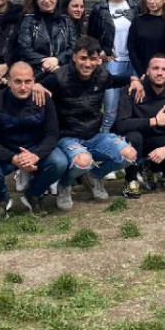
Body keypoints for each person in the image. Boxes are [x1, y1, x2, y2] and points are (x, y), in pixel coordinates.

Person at [37, 36, 141, 210]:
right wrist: (36, 86)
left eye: (93, 59)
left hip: (94, 135)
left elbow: (116, 80)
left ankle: (94, 176)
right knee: (82, 161)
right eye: (83, 58)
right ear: (74, 57)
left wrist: (134, 79)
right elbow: (36, 86)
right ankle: (65, 185)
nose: (88, 64)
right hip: (67, 137)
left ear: (98, 60)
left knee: (130, 155)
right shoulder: (59, 77)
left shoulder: (101, 74)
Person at [0, 61, 67, 217]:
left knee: (59, 162)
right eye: (17, 81)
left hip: (34, 149)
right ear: (8, 81)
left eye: (27, 81)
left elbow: (52, 135)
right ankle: (2, 199)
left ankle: (33, 194)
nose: (23, 87)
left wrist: (36, 155)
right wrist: (13, 158)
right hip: (4, 152)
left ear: (34, 81)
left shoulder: (44, 99)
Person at [115, 54, 165, 197]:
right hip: (132, 140)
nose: (159, 73)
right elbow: (120, 125)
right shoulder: (134, 89)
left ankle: (148, 168)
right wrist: (153, 121)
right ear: (147, 71)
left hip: (156, 142)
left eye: (164, 69)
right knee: (134, 137)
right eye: (155, 68)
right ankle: (131, 180)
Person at [86, 0, 137, 132]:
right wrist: (100, 55)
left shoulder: (134, 7)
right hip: (111, 63)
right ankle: (106, 138)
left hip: (131, 63)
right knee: (110, 110)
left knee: (128, 108)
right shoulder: (99, 9)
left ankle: (123, 141)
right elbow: (91, 37)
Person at [16, 0, 75, 82]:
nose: (46, 0)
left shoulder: (66, 21)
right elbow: (25, 49)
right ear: (36, 0)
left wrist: (57, 59)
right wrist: (44, 61)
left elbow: (74, 47)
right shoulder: (28, 21)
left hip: (63, 72)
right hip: (36, 73)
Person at [128, 0, 165, 83]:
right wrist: (141, 73)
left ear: (164, 0)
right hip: (140, 72)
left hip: (162, 73)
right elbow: (131, 48)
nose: (152, 1)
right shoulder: (138, 21)